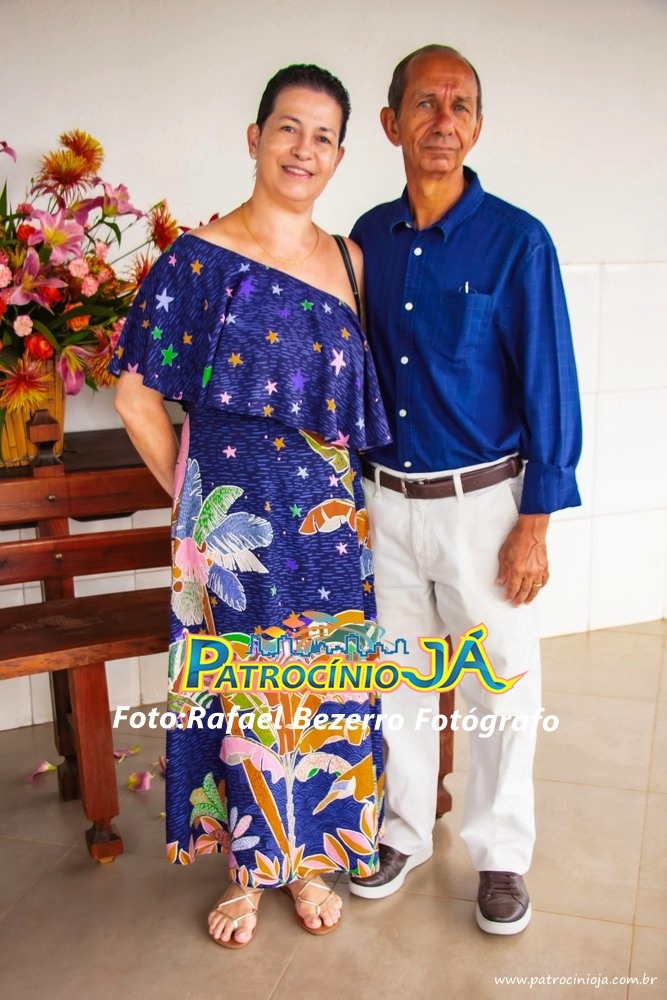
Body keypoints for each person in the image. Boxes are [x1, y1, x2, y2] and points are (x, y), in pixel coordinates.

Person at [111, 64, 390, 948]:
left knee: (322, 692)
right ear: (254, 138)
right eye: (287, 128)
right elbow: (134, 398)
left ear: (339, 155)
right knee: (243, 695)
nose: (303, 149)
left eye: (322, 136)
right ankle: (245, 871)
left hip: (330, 530)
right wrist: (196, 511)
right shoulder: (197, 260)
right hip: (234, 536)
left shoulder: (349, 260)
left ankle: (309, 860)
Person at [347, 45, 582, 935]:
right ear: (391, 123)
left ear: (477, 126)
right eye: (424, 103)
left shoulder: (517, 241)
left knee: (498, 688)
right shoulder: (367, 238)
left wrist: (535, 523)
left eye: (460, 106)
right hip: (382, 502)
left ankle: (500, 855)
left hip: (484, 506)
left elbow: (549, 387)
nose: (442, 121)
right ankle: (404, 832)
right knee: (399, 681)